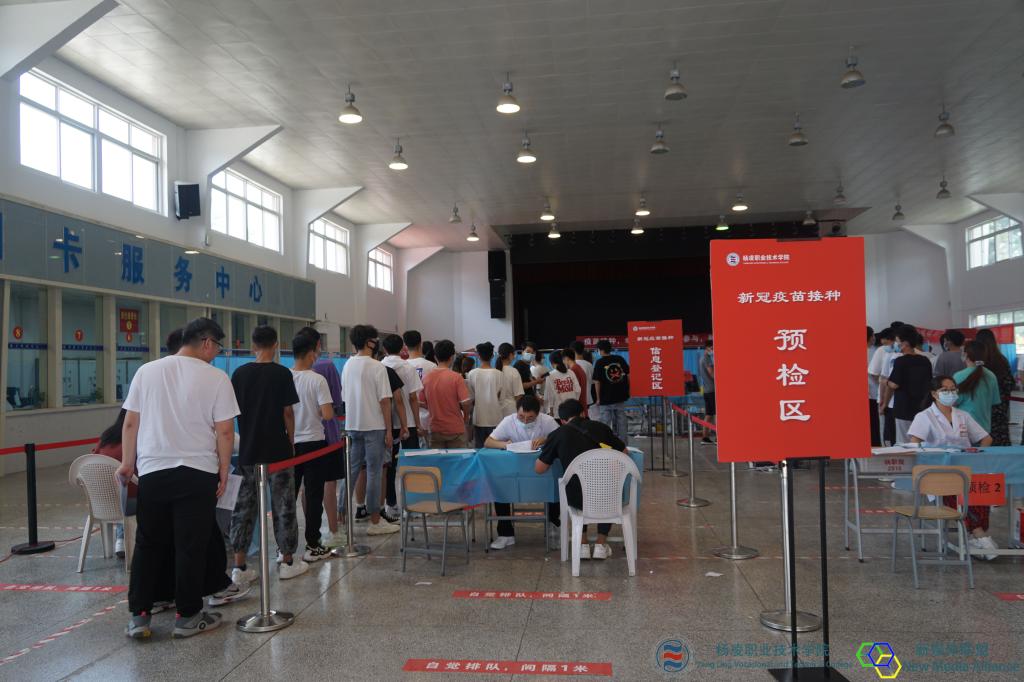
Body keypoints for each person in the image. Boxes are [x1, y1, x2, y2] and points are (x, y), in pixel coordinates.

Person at [120, 317, 239, 640]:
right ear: (206, 342)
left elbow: (130, 423)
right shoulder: (216, 378)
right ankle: (187, 616)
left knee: (148, 543)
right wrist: (224, 470)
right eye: (217, 347)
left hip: (153, 472)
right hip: (197, 473)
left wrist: (128, 464)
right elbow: (224, 431)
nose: (216, 354)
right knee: (190, 545)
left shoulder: (147, 371)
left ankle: (139, 616)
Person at [228, 326, 308, 582]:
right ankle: (287, 561)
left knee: (244, 507)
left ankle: (239, 566)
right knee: (284, 505)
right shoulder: (282, 373)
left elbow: (233, 413)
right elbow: (288, 412)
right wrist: (291, 439)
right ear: (276, 345)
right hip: (278, 451)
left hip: (249, 450)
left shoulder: (239, 374)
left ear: (253, 346)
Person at [908, 376, 997, 559]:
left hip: (967, 470)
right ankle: (979, 535)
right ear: (934, 394)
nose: (950, 393)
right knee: (957, 491)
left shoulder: (963, 415)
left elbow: (986, 438)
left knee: (980, 488)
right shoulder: (924, 417)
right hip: (938, 474)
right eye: (945, 390)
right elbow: (914, 444)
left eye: (953, 389)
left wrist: (977, 455)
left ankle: (976, 536)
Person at [535, 399, 627, 560]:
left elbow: (540, 469)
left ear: (562, 420)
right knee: (605, 487)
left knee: (577, 485)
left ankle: (583, 544)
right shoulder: (601, 427)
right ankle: (600, 545)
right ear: (583, 413)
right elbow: (624, 453)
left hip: (577, 497)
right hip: (607, 495)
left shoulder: (558, 434)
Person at [340, 325, 400, 535]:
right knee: (374, 472)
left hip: (352, 425)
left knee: (351, 472)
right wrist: (389, 431)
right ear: (369, 342)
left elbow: (345, 397)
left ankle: (341, 517)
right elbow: (385, 401)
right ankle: (375, 521)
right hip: (374, 426)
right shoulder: (377, 367)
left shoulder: (348, 365)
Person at [484, 395, 560, 550]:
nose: (525, 421)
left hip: (541, 471)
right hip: (514, 471)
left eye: (530, 418)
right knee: (501, 488)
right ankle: (505, 534)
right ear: (516, 412)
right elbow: (488, 442)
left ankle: (553, 527)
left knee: (555, 487)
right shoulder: (508, 421)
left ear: (538, 414)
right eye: (521, 417)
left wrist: (546, 439)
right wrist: (505, 444)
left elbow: (561, 437)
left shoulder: (547, 421)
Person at [290, 329, 341, 558]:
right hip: (314, 443)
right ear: (312, 353)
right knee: (313, 496)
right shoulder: (318, 379)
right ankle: (313, 545)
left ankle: (285, 549)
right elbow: (328, 414)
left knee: (289, 496)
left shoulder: (285, 377)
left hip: (291, 444)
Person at [307, 335, 346, 549]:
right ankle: (333, 530)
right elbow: (336, 401)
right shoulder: (327, 366)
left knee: (308, 486)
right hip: (327, 433)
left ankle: (310, 533)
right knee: (329, 482)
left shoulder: (292, 372)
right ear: (318, 345)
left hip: (303, 436)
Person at [381, 333, 423, 521]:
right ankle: (412, 506)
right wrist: (418, 423)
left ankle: (391, 505)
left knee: (389, 467)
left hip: (387, 423)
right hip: (409, 424)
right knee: (412, 465)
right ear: (402, 348)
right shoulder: (408, 367)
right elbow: (413, 398)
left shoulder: (380, 366)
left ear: (384, 349)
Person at [92, 409, 132, 558]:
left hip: (99, 503)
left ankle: (120, 539)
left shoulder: (106, 436)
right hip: (125, 502)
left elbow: (92, 458)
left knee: (120, 492)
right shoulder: (134, 441)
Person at [886, 326, 934, 443]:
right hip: (923, 406)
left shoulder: (900, 361)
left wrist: (885, 382)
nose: (896, 344)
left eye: (897, 341)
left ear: (905, 343)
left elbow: (894, 384)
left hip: (904, 407)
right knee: (922, 440)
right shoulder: (925, 360)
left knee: (904, 442)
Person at [421, 340, 471, 448]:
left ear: (435, 357)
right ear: (452, 357)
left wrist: (435, 406)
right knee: (457, 458)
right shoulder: (456, 377)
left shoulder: (426, 378)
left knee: (437, 458)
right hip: (455, 428)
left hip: (435, 428)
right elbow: (466, 402)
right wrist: (466, 417)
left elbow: (422, 403)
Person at [975, 328, 1014, 446]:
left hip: (981, 406)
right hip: (1000, 406)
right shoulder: (1002, 360)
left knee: (981, 437)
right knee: (999, 436)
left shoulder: (977, 362)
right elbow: (1009, 384)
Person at [952, 340, 1001, 435]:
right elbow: (994, 401)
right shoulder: (991, 375)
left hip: (964, 427)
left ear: (966, 354)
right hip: (984, 427)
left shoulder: (958, 376)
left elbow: (953, 402)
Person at [466, 342, 506, 447]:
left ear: (478, 356)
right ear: (492, 356)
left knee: (479, 448)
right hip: (495, 417)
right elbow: (501, 397)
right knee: (495, 449)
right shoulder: (499, 374)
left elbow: (470, 398)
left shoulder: (472, 373)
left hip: (479, 417)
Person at [592, 339, 630, 443]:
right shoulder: (619, 359)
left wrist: (598, 398)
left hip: (605, 398)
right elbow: (628, 375)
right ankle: (623, 444)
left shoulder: (599, 362)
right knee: (622, 422)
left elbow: (597, 382)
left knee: (605, 424)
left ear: (600, 350)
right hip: (620, 396)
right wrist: (628, 389)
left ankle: (606, 445)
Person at [404, 330, 437, 439]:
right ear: (420, 344)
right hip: (427, 415)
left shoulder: (402, 365)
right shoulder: (432, 366)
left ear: (405, 346)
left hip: (406, 417)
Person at [870, 328, 897, 445]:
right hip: (898, 399)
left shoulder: (884, 352)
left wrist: (882, 397)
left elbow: (878, 376)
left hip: (887, 398)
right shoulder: (918, 354)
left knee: (888, 432)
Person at [543, 350, 580, 419]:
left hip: (558, 412)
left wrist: (550, 411)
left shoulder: (550, 375)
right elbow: (578, 390)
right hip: (572, 410)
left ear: (552, 363)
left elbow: (550, 395)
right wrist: (575, 402)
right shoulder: (571, 372)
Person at [496, 342, 525, 417]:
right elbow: (518, 395)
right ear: (511, 355)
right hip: (510, 410)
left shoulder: (495, 371)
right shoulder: (513, 371)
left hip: (496, 410)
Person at [570, 341, 595, 416]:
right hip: (588, 398)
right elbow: (592, 382)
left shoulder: (572, 365)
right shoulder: (590, 365)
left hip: (577, 399)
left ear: (572, 351)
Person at [698, 340, 716, 443]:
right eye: (712, 348)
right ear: (707, 348)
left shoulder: (701, 358)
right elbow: (712, 374)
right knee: (716, 413)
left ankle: (705, 437)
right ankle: (719, 437)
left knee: (709, 414)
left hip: (706, 390)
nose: (713, 350)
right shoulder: (707, 358)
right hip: (712, 389)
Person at [562, 347, 589, 416]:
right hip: (582, 404)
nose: (563, 362)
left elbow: (575, 390)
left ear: (566, 358)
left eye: (563, 359)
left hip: (578, 406)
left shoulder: (573, 370)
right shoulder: (578, 367)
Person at [866, 326, 881, 447]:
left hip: (866, 392)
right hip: (874, 392)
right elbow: (874, 373)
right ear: (871, 337)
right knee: (874, 423)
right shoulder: (873, 352)